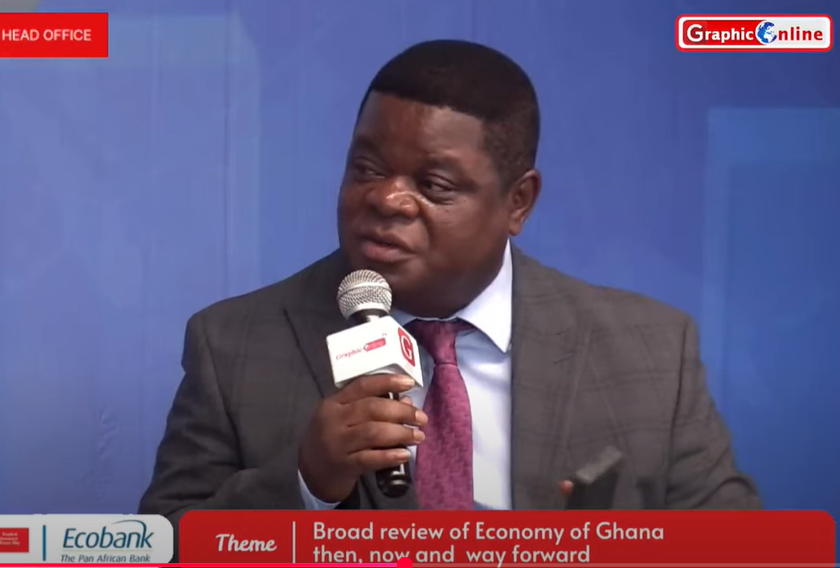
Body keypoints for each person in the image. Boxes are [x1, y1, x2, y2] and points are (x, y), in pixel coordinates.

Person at [139, 39, 761, 526]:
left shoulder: (652, 353)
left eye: (433, 185)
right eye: (366, 168)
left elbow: (740, 549)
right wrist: (305, 483)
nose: (386, 199)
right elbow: (166, 546)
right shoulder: (233, 344)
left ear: (518, 202)